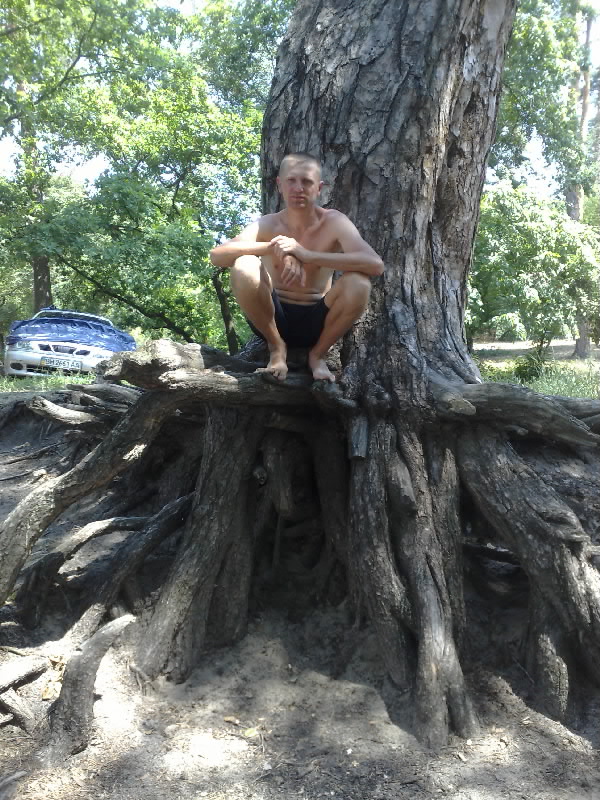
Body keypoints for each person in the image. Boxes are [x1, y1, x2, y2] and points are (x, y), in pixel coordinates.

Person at [210, 153, 384, 382]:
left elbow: (375, 265)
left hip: (316, 322)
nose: (298, 188)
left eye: (307, 182)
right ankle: (276, 347)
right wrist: (276, 247)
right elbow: (217, 255)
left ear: (319, 188)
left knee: (359, 283)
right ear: (279, 185)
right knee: (244, 264)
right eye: (291, 180)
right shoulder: (268, 224)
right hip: (271, 317)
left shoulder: (334, 222)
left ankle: (317, 356)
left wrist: (307, 255)